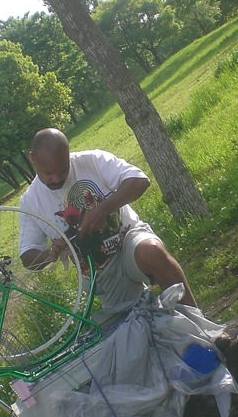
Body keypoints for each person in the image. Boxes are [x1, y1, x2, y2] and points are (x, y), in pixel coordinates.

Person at [18, 127, 198, 310]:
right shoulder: (30, 202)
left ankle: (200, 324)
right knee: (134, 331)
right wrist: (50, 254)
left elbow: (139, 180)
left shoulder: (92, 161)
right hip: (100, 273)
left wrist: (103, 209)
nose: (56, 178)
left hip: (129, 239)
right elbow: (27, 255)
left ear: (68, 154)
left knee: (152, 251)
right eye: (48, 173)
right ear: (32, 159)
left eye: (63, 170)